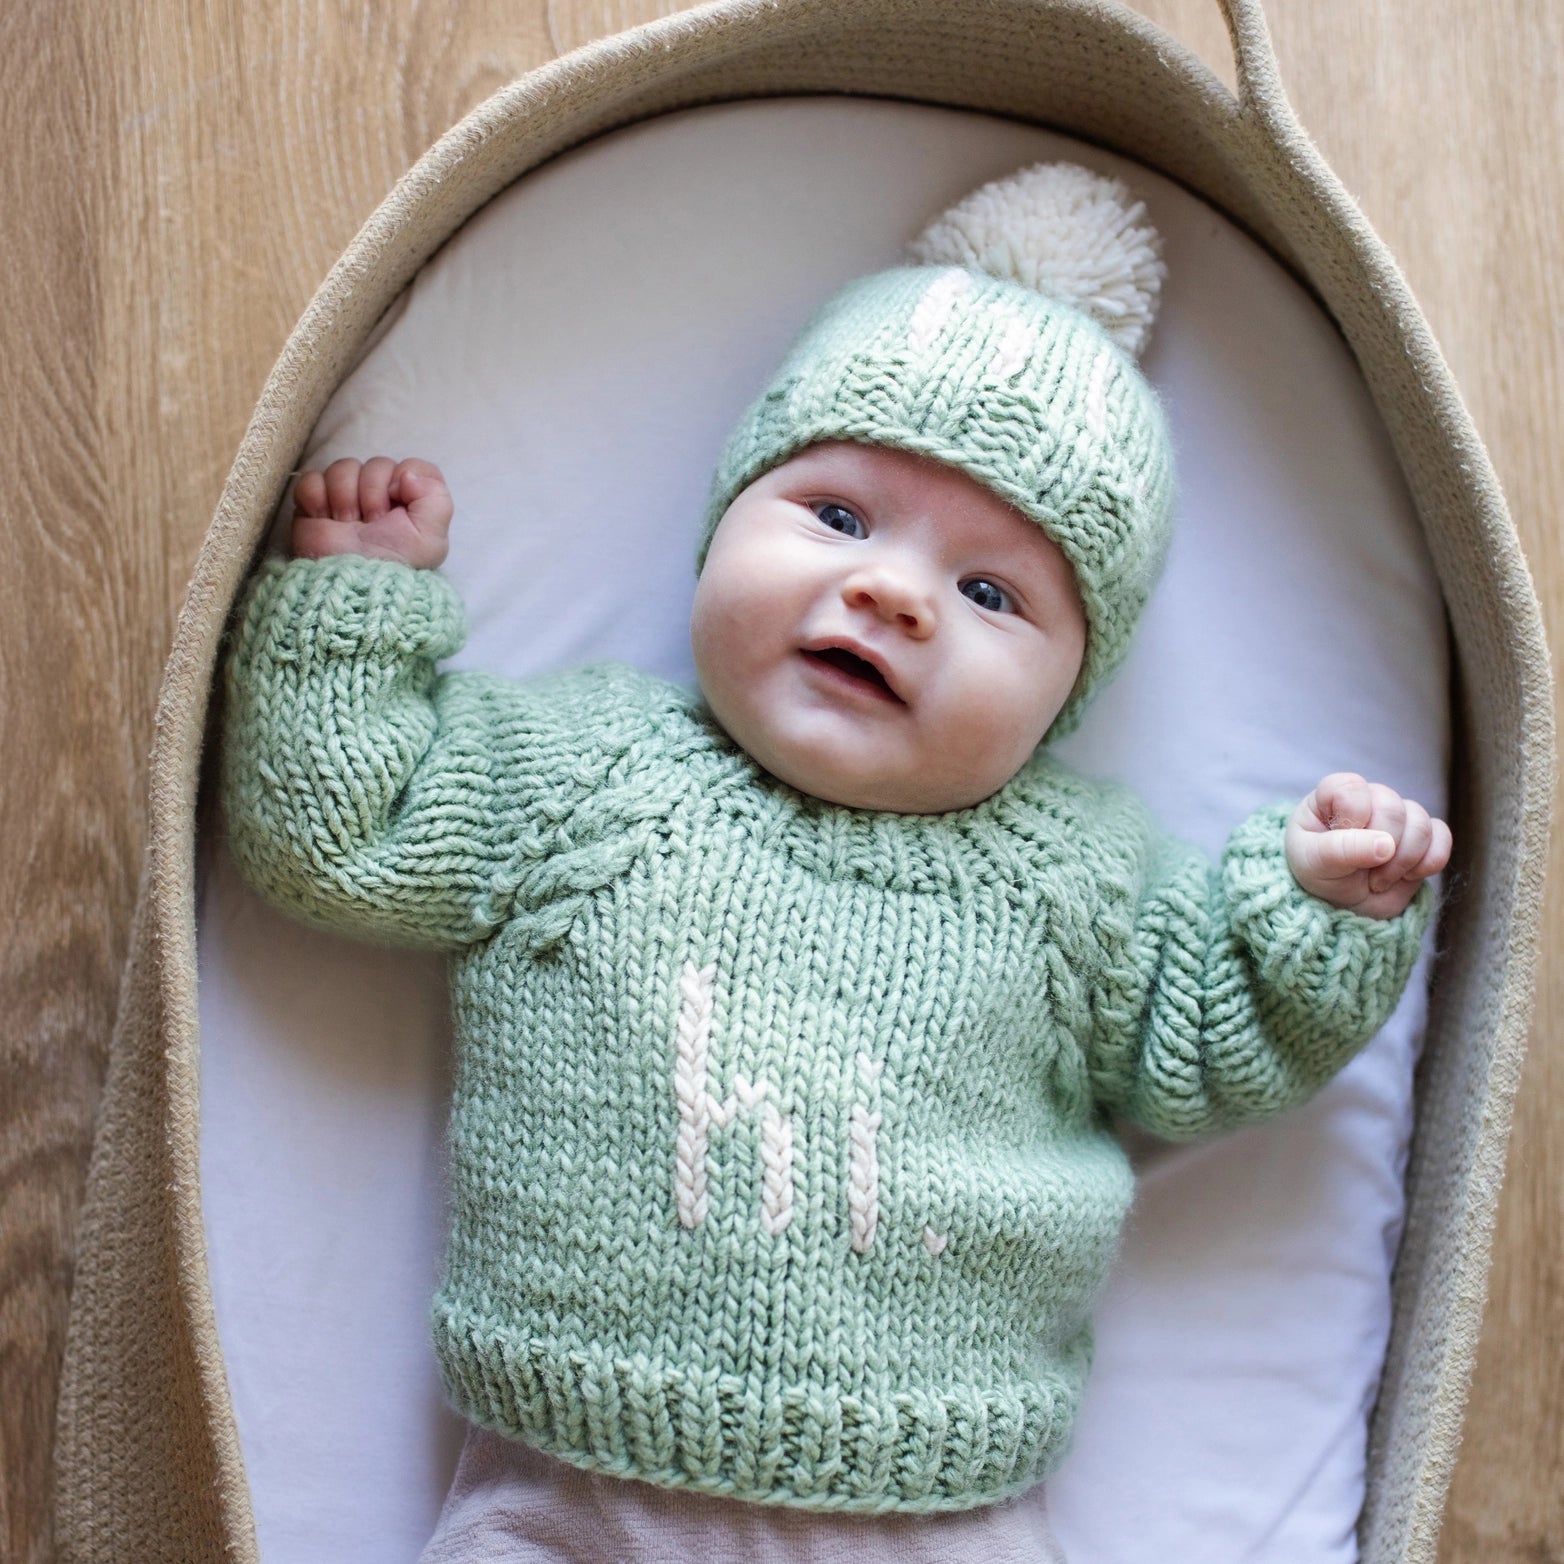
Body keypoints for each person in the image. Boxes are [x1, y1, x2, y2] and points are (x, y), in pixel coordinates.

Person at [220, 164, 1449, 1561]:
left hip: (944, 1508)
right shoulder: (582, 773)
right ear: (723, 521)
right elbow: (343, 833)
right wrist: (358, 606)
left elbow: (1208, 1033)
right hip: (573, 1491)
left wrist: (1319, 909)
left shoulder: (1079, 880)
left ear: (1072, 693)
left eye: (990, 592)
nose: (891, 592)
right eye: (840, 518)